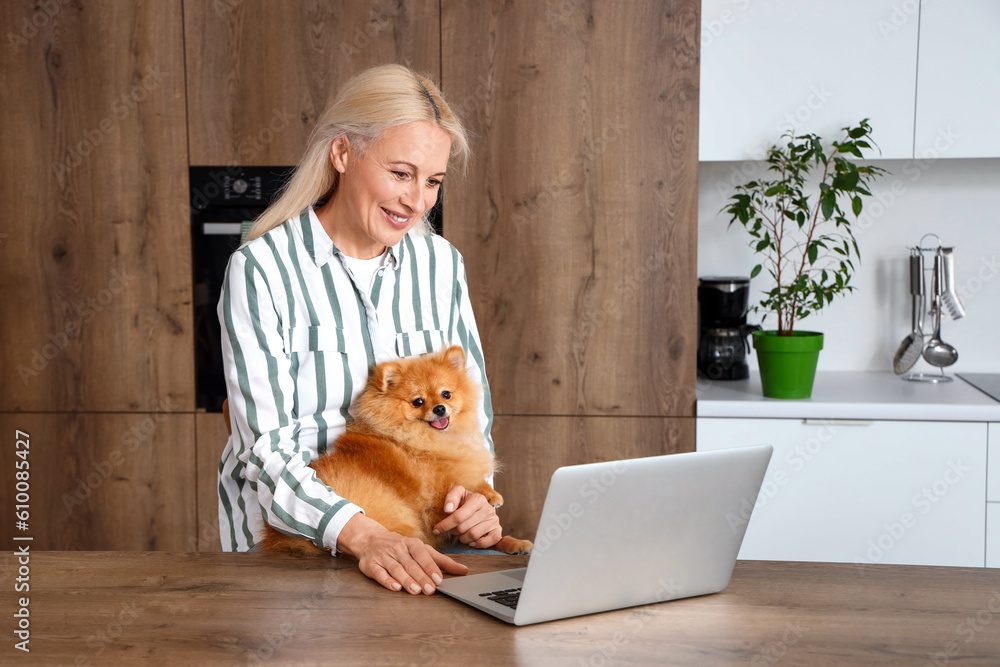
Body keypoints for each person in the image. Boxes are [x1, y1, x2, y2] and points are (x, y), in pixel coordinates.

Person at [217, 64, 505, 596]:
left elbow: (470, 410)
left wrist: (477, 497)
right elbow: (267, 449)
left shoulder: (440, 264)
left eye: (433, 181)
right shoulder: (261, 270)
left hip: (417, 545)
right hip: (292, 547)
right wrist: (365, 535)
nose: (417, 201)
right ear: (343, 154)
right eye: (401, 173)